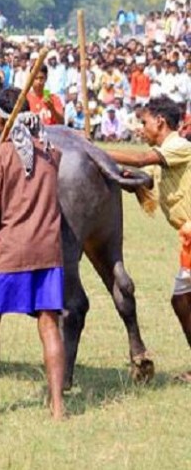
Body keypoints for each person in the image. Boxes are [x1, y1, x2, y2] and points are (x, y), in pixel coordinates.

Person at [0, 88, 65, 419]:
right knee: (49, 324)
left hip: (11, 252)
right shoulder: (51, 154)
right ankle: (58, 408)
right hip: (49, 251)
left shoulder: (0, 156)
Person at [106, 96, 191, 383]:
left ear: (161, 121)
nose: (141, 129)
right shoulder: (161, 156)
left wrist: (95, 150)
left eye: (144, 122)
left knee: (182, 299)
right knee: (181, 301)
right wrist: (124, 179)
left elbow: (142, 160)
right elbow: (147, 186)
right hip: (187, 238)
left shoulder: (177, 146)